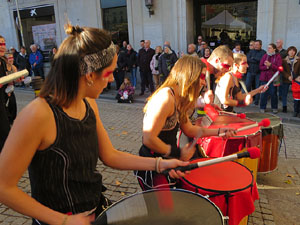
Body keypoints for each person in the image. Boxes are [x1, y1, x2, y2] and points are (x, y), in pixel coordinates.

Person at [0, 25, 188, 225]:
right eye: (108, 73)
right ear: (89, 75)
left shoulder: (88, 103)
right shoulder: (37, 115)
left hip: (94, 210)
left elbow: (110, 155)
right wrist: (63, 221)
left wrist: (160, 164)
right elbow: (4, 187)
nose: (110, 81)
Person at [136, 55, 236, 190]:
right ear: (189, 75)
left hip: (167, 161)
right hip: (152, 163)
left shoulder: (180, 99)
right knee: (163, 208)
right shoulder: (166, 97)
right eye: (201, 77)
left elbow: (189, 129)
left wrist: (219, 132)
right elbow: (148, 139)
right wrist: (178, 152)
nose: (204, 83)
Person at [259, 43, 282, 113]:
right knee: (263, 93)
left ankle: (274, 107)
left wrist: (271, 65)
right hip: (264, 78)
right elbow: (260, 66)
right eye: (268, 48)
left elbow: (279, 68)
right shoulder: (265, 56)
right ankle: (262, 107)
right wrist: (267, 67)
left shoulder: (278, 56)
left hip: (274, 78)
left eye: (270, 48)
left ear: (274, 49)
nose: (268, 49)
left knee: (273, 93)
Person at [246, 40, 266, 105]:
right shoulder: (251, 51)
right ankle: (247, 99)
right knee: (247, 85)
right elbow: (247, 59)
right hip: (250, 71)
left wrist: (253, 58)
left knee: (258, 87)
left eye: (257, 45)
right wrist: (256, 59)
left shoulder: (263, 52)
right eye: (255, 45)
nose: (256, 46)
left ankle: (256, 101)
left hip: (258, 72)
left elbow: (261, 61)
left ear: (261, 45)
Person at [0, 35, 11, 152]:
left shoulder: (2, 62)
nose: (3, 47)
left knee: (5, 133)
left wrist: (13, 81)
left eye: (4, 44)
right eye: (0, 44)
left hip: (2, 102)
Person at [282, 46, 300, 114]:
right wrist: (288, 76)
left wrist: (297, 77)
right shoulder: (284, 60)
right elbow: (282, 71)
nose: (292, 52)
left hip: (296, 79)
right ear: (288, 51)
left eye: (293, 51)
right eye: (290, 50)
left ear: (295, 52)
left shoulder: (298, 60)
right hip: (286, 79)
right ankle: (284, 107)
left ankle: (296, 110)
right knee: (284, 94)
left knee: (297, 95)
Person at [3, 53, 17, 124]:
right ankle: (7, 118)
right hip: (4, 88)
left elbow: (16, 78)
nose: (11, 59)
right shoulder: (3, 67)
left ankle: (12, 118)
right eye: (9, 58)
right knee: (5, 104)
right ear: (6, 59)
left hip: (11, 88)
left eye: (12, 58)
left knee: (13, 103)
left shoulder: (13, 67)